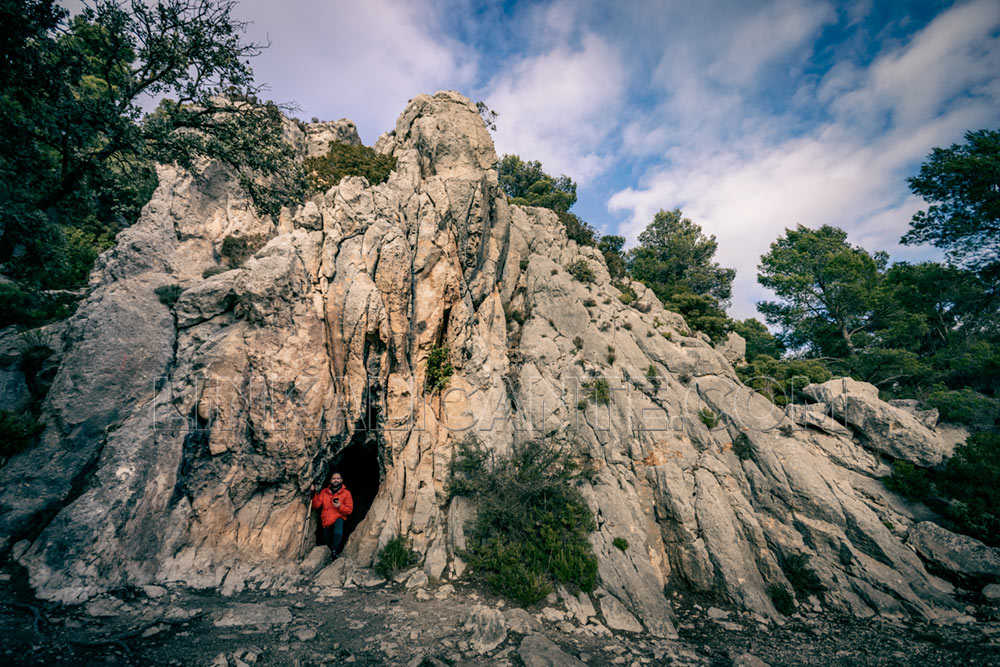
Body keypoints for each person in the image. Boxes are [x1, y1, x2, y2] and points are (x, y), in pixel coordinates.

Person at [310, 471, 353, 558]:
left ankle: (335, 550)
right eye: (333, 479)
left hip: (338, 518)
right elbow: (316, 505)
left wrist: (339, 506)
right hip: (327, 521)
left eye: (338, 478)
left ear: (341, 480)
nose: (335, 480)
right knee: (327, 540)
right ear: (330, 481)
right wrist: (313, 493)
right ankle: (331, 553)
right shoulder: (324, 492)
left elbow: (349, 510)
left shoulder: (346, 493)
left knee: (339, 524)